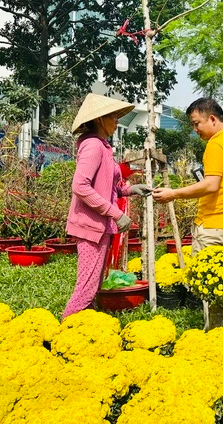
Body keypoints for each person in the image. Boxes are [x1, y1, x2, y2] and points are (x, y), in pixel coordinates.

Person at [62, 94, 151, 320]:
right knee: (86, 288)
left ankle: (84, 328)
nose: (117, 121)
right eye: (113, 116)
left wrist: (131, 189)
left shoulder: (103, 146)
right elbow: (80, 186)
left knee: (93, 285)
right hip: (90, 226)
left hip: (99, 227)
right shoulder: (93, 145)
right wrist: (115, 213)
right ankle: (66, 328)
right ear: (100, 119)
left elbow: (107, 187)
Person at [152, 98, 223, 253]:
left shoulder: (216, 143)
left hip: (211, 227)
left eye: (197, 123)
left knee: (203, 276)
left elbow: (211, 184)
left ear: (213, 119)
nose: (195, 129)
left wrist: (173, 193)